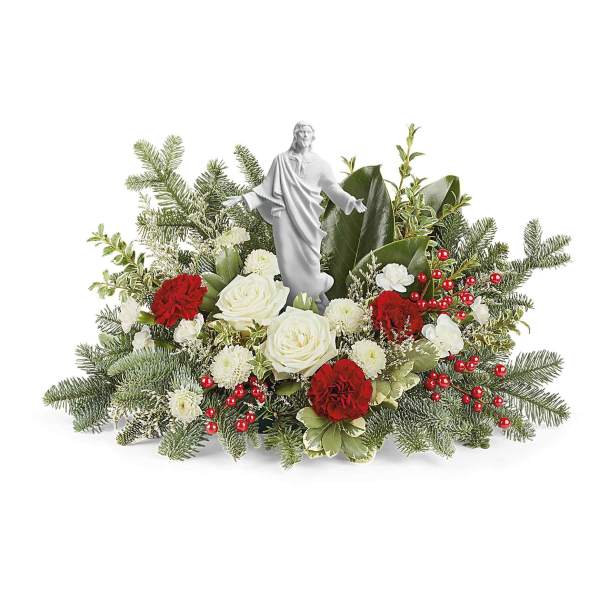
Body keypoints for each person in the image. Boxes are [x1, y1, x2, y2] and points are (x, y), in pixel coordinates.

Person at [225, 122, 366, 310]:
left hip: (308, 221)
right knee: (288, 263)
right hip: (284, 220)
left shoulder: (320, 165)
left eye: (308, 132)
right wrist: (244, 198)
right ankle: (292, 303)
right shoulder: (281, 161)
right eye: (301, 132)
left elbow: (333, 188)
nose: (304, 135)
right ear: (295, 135)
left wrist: (350, 201)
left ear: (312, 137)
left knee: (311, 260)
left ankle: (315, 296)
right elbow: (265, 190)